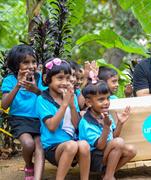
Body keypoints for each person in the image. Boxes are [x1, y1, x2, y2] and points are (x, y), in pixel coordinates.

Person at [36, 58, 90, 180]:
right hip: (53, 147)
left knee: (84, 145)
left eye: (67, 78)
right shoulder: (42, 100)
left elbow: (76, 125)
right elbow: (51, 126)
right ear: (46, 79)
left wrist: (71, 106)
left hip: (71, 143)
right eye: (60, 78)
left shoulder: (72, 97)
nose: (65, 82)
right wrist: (65, 104)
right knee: (71, 145)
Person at [1, 44, 44, 180]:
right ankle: (29, 165)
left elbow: (49, 98)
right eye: (26, 62)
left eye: (33, 61)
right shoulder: (9, 80)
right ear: (15, 64)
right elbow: (4, 104)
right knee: (28, 144)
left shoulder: (40, 78)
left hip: (39, 119)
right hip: (20, 120)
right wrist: (18, 85)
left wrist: (36, 90)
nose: (31, 65)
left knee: (40, 146)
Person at [79, 81, 136, 180]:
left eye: (108, 98)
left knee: (131, 150)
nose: (106, 102)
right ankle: (109, 176)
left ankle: (106, 174)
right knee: (119, 142)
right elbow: (100, 146)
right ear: (89, 103)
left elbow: (114, 136)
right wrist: (106, 127)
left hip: (106, 152)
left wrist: (120, 123)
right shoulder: (86, 122)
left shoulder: (105, 114)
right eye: (101, 100)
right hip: (94, 158)